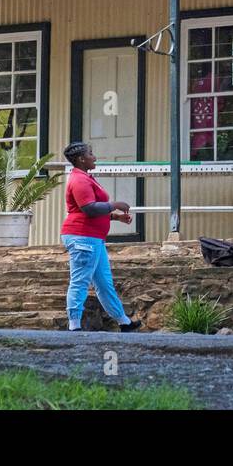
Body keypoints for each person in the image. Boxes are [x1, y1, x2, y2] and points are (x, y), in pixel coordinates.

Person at [60, 141, 141, 332]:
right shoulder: (79, 180)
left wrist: (115, 217)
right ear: (81, 159)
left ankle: (123, 322)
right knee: (80, 281)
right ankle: (74, 325)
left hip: (93, 239)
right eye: (91, 154)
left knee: (104, 283)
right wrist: (115, 205)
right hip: (82, 238)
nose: (94, 157)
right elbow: (89, 208)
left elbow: (94, 210)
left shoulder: (86, 178)